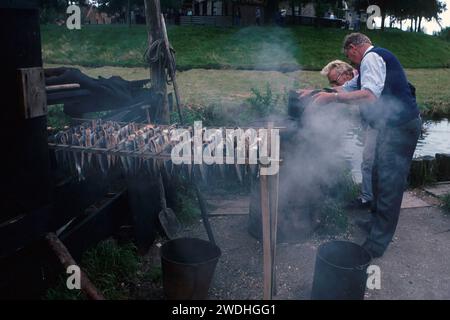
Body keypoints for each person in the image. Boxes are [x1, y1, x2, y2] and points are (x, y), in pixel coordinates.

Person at [301, 33, 422, 258]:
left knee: (389, 184)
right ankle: (376, 223)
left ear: (355, 47)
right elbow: (346, 88)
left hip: (401, 127)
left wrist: (332, 100)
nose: (352, 61)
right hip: (390, 127)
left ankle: (377, 243)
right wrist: (315, 93)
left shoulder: (372, 58)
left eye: (350, 55)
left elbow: (368, 96)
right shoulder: (368, 63)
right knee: (377, 176)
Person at [320, 60, 377, 210]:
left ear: (346, 74)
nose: (333, 85)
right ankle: (371, 197)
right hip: (372, 123)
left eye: (333, 81)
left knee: (371, 161)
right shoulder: (354, 81)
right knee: (369, 161)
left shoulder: (362, 80)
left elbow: (359, 99)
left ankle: (370, 200)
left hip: (384, 122)